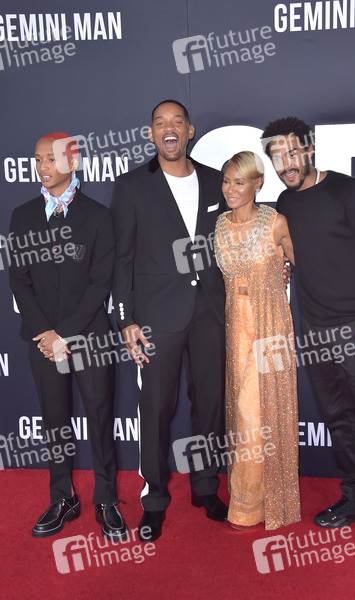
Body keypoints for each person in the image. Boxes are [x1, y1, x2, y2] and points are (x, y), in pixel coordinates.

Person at [261, 116, 355, 567]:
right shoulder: (285, 201)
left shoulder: (351, 193)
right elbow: (304, 256)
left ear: (309, 148)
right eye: (276, 156)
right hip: (315, 332)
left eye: (292, 151)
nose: (285, 163)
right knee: (339, 422)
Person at [111, 100, 228, 542]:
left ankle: (206, 488)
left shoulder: (216, 182)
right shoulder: (131, 186)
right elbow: (121, 259)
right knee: (156, 409)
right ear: (151, 134)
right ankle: (155, 500)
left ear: (190, 130)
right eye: (160, 123)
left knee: (210, 404)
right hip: (156, 317)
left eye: (177, 121)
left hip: (210, 313)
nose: (169, 128)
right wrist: (126, 319)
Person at [8, 132, 127, 541]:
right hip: (42, 340)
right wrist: (47, 334)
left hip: (89, 337)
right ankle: (63, 497)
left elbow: (101, 282)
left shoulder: (98, 216)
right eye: (38, 159)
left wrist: (66, 333)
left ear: (72, 163)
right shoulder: (22, 216)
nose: (43, 166)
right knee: (54, 422)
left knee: (100, 418)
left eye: (51, 158)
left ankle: (106, 499)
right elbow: (19, 280)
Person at [214, 151, 300, 530]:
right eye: (226, 181)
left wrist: (285, 269)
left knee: (255, 413)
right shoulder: (219, 224)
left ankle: (248, 506)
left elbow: (301, 262)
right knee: (242, 414)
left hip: (271, 327)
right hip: (236, 327)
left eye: (240, 182)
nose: (231, 189)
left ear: (257, 184)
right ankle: (256, 499)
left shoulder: (276, 222)